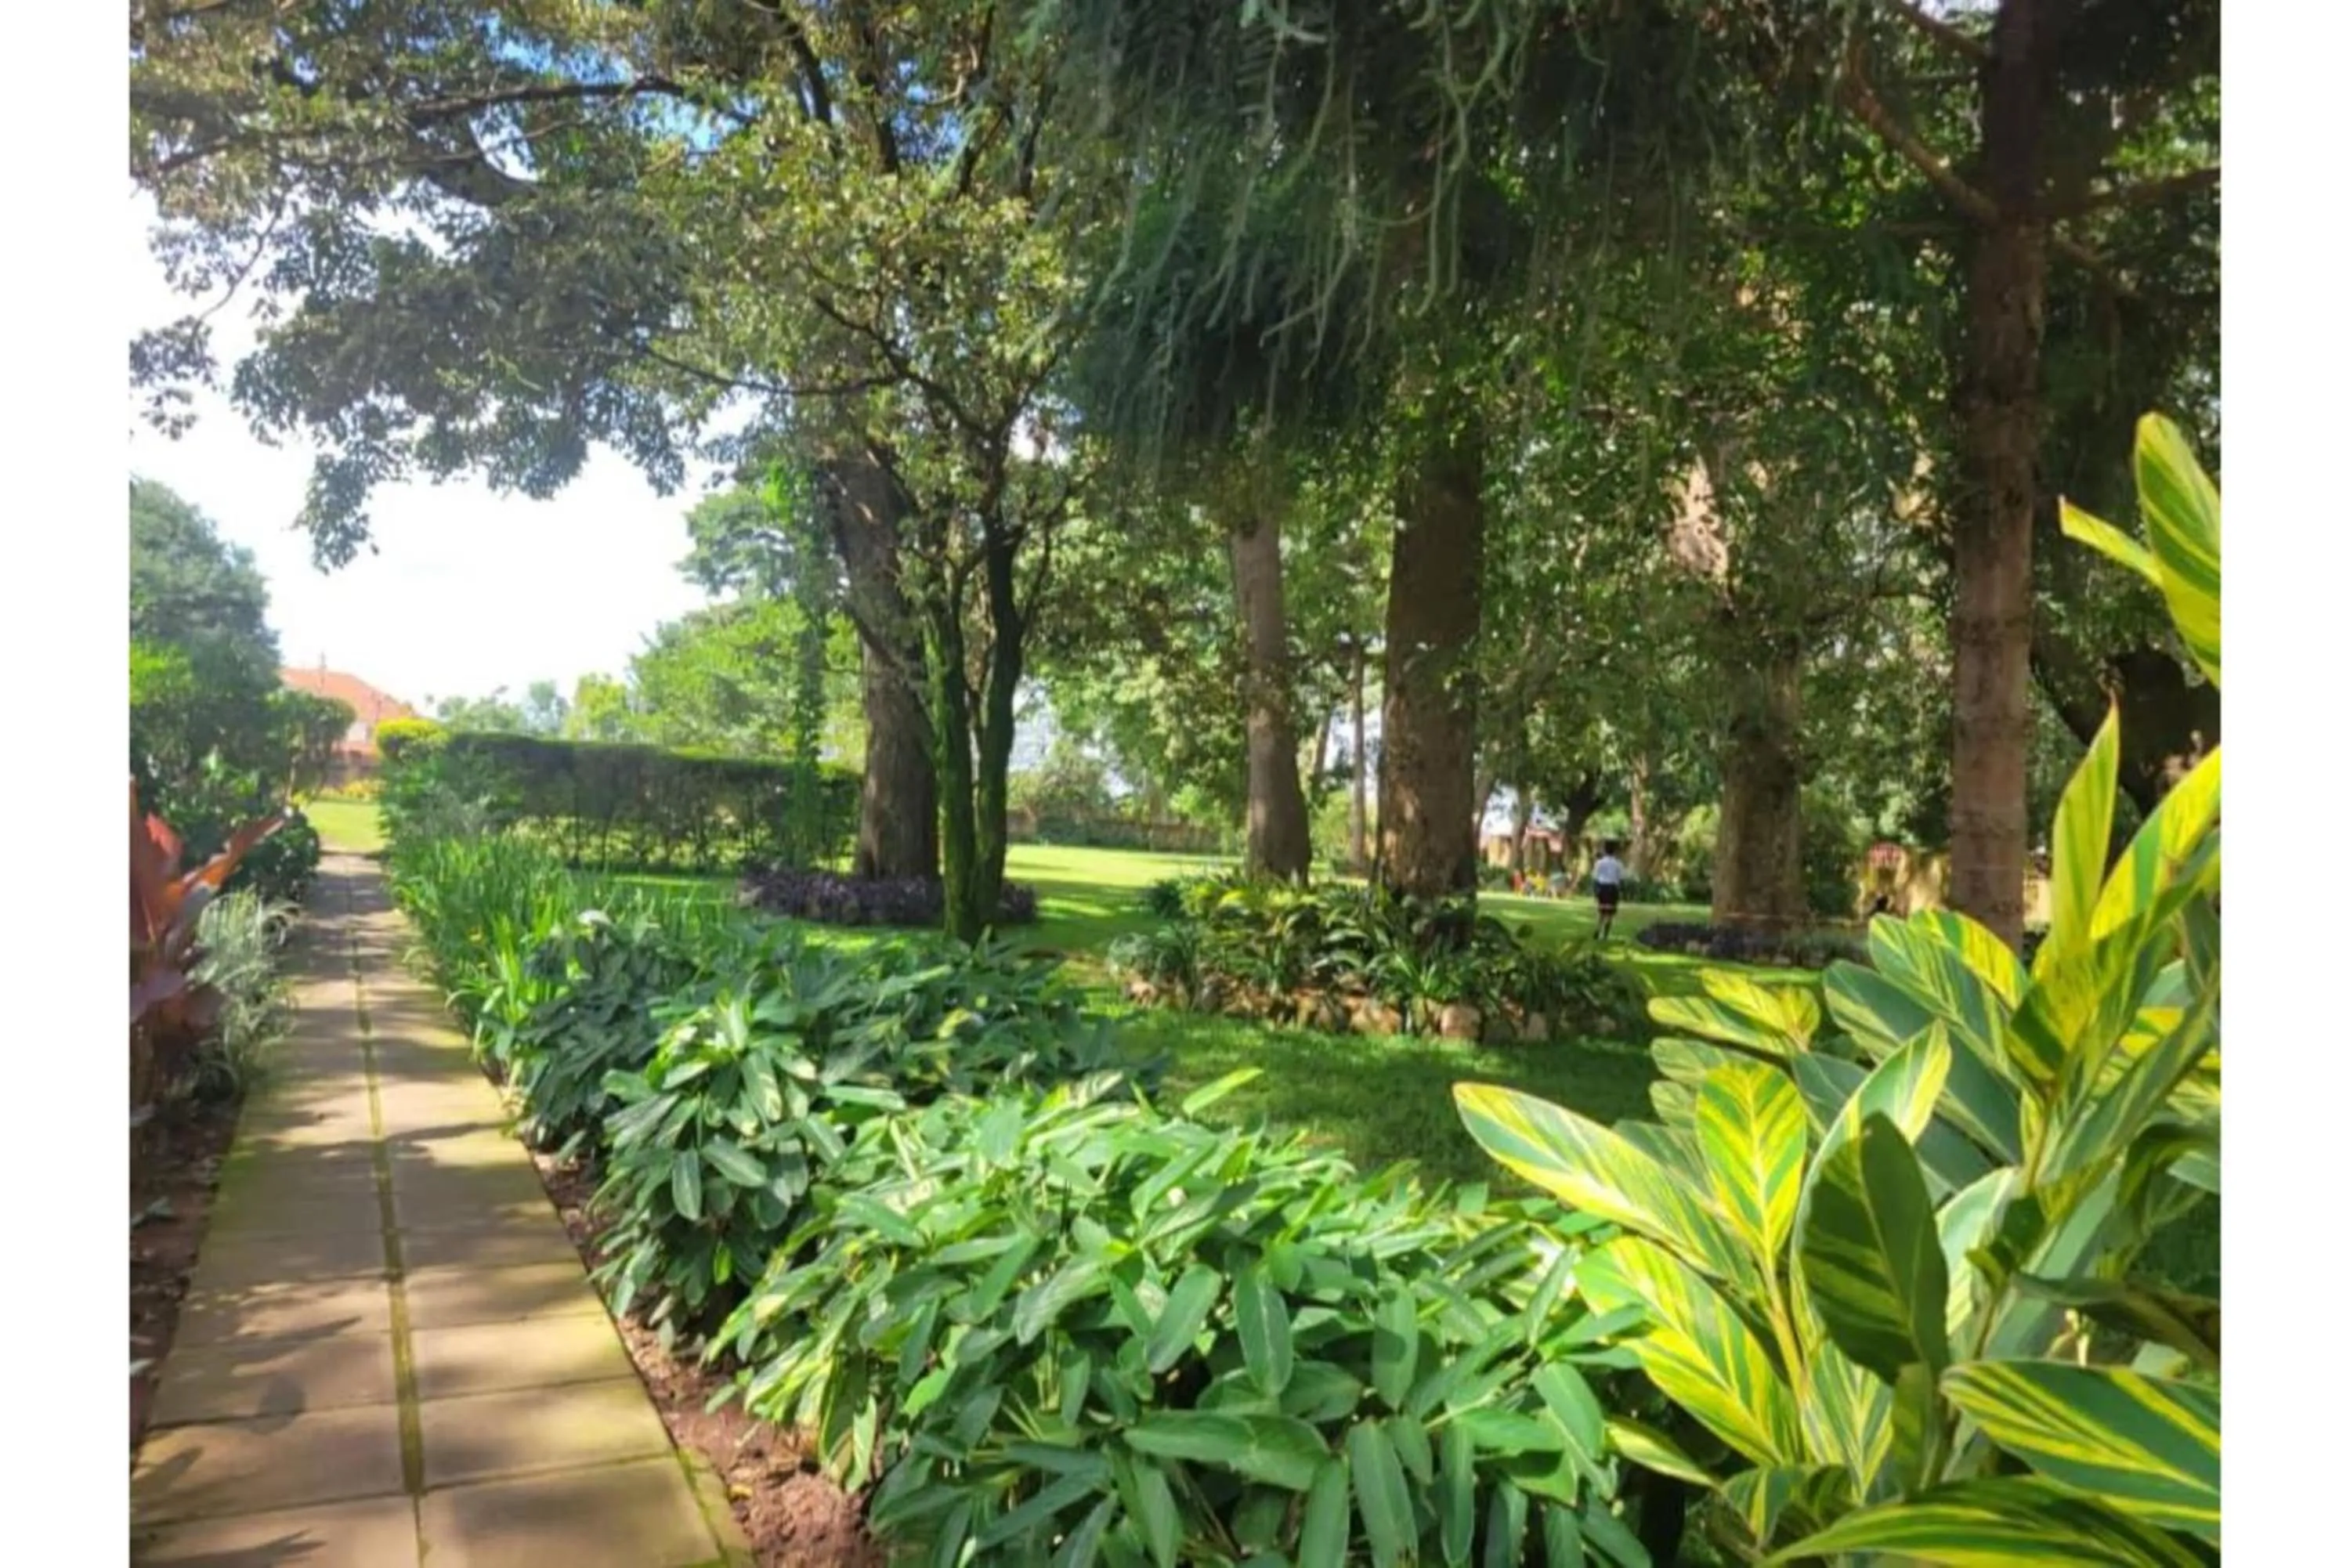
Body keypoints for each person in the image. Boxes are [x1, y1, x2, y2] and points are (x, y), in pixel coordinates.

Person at [1592, 840, 1627, 941]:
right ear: (1615, 851)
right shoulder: (1618, 864)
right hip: (1612, 888)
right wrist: (1622, 891)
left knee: (1601, 911)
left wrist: (1595, 892)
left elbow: (1595, 878)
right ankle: (1605, 935)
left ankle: (1598, 929)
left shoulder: (1599, 863)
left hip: (1602, 887)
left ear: (1604, 850)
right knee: (1610, 913)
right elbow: (1621, 879)